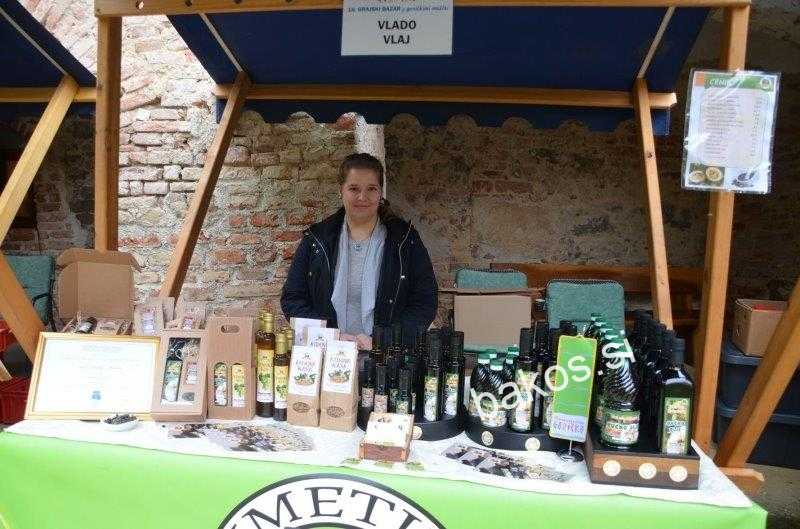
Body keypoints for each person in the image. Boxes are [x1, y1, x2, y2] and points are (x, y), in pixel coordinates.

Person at [281, 153, 438, 350]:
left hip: (386, 357)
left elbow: (424, 303)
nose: (362, 197)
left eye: (371, 189)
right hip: (328, 354)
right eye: (354, 188)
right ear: (341, 190)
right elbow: (293, 299)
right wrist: (331, 337)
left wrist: (381, 341)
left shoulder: (406, 240)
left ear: (380, 192)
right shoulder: (316, 239)